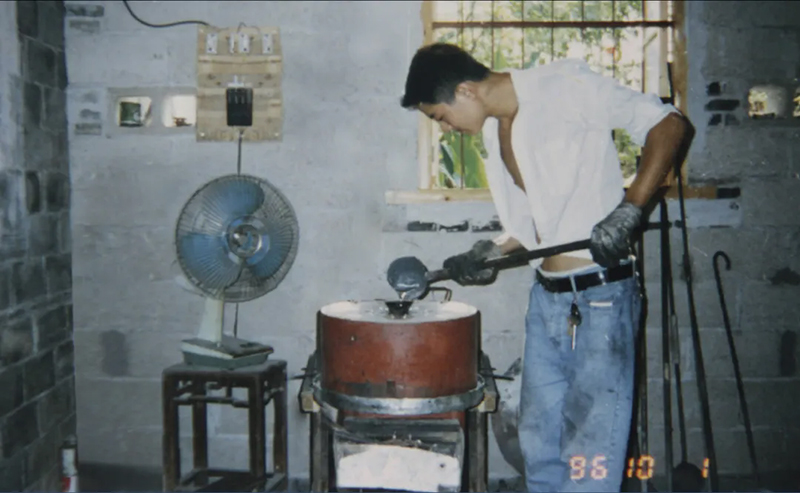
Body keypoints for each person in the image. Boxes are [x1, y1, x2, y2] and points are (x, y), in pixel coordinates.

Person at [399, 43, 694, 492]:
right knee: (539, 444)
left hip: (600, 299)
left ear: (465, 91)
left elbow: (669, 124)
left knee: (590, 452)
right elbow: (536, 225)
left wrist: (631, 209)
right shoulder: (496, 130)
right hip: (547, 299)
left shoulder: (564, 87)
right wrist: (491, 250)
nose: (446, 128)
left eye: (440, 116)